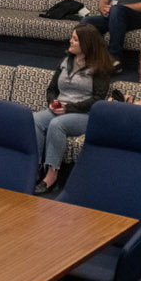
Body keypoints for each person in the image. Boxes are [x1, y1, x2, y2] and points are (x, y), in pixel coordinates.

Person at [32, 25, 118, 194]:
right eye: (72, 37)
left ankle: (52, 176)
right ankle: (35, 169)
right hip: (60, 109)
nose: (70, 41)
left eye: (75, 39)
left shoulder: (100, 66)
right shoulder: (65, 61)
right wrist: (52, 103)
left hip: (85, 114)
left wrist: (69, 108)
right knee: (35, 119)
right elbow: (51, 89)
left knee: (57, 124)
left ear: (86, 44)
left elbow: (98, 99)